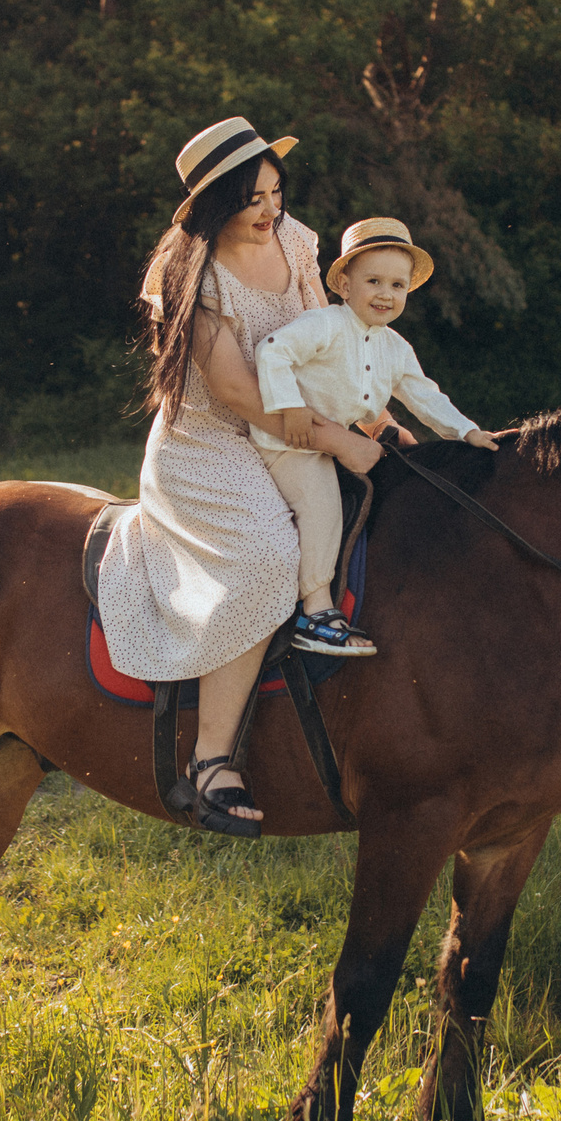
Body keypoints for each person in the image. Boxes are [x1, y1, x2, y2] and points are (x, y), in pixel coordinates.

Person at [92, 118, 382, 835]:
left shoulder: (296, 241)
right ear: (217, 203)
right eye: (251, 198)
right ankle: (212, 760)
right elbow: (239, 393)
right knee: (265, 556)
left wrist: (365, 410)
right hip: (212, 445)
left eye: (275, 192)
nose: (268, 210)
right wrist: (335, 439)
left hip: (293, 424)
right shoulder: (192, 276)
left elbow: (324, 338)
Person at [252, 217, 500, 657]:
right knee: (321, 503)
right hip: (291, 442)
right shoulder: (326, 325)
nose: (386, 294)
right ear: (345, 286)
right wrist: (290, 407)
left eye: (397, 286)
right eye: (373, 281)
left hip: (336, 442)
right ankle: (316, 612)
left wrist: (467, 431)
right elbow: (273, 349)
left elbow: (424, 396)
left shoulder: (395, 347)